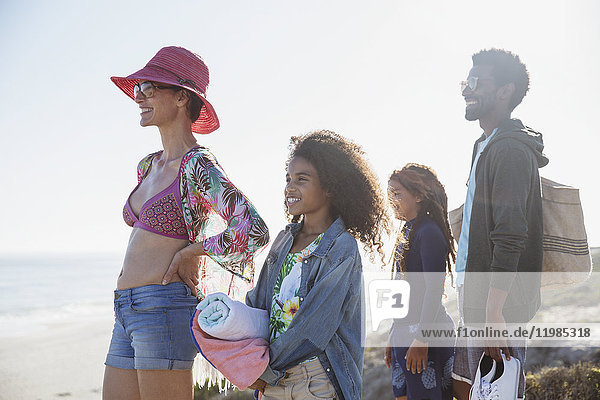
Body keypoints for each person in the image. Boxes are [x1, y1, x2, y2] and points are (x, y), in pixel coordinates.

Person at [103, 46, 269, 400]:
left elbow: (252, 228)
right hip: (125, 308)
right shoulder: (147, 165)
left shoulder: (198, 166)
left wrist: (194, 251)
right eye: (138, 88)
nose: (140, 96)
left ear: (181, 98)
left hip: (162, 308)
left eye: (149, 86)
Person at [245, 131, 390, 400]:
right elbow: (257, 304)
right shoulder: (282, 240)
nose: (290, 187)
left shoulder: (341, 247)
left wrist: (262, 369)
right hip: (272, 381)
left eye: (302, 179)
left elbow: (314, 326)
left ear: (330, 187)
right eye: (288, 179)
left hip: (315, 381)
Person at [451, 49, 548, 400]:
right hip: (478, 299)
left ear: (505, 91)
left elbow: (510, 235)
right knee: (468, 390)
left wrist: (494, 312)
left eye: (476, 82)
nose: (466, 89)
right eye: (466, 81)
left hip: (497, 307)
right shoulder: (484, 144)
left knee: (499, 393)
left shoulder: (509, 149)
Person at [383, 164, 456, 400]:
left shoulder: (429, 232)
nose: (391, 199)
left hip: (426, 335)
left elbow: (434, 290)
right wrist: (393, 334)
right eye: (389, 194)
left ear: (418, 195)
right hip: (405, 334)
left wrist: (422, 338)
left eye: (397, 193)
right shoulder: (407, 230)